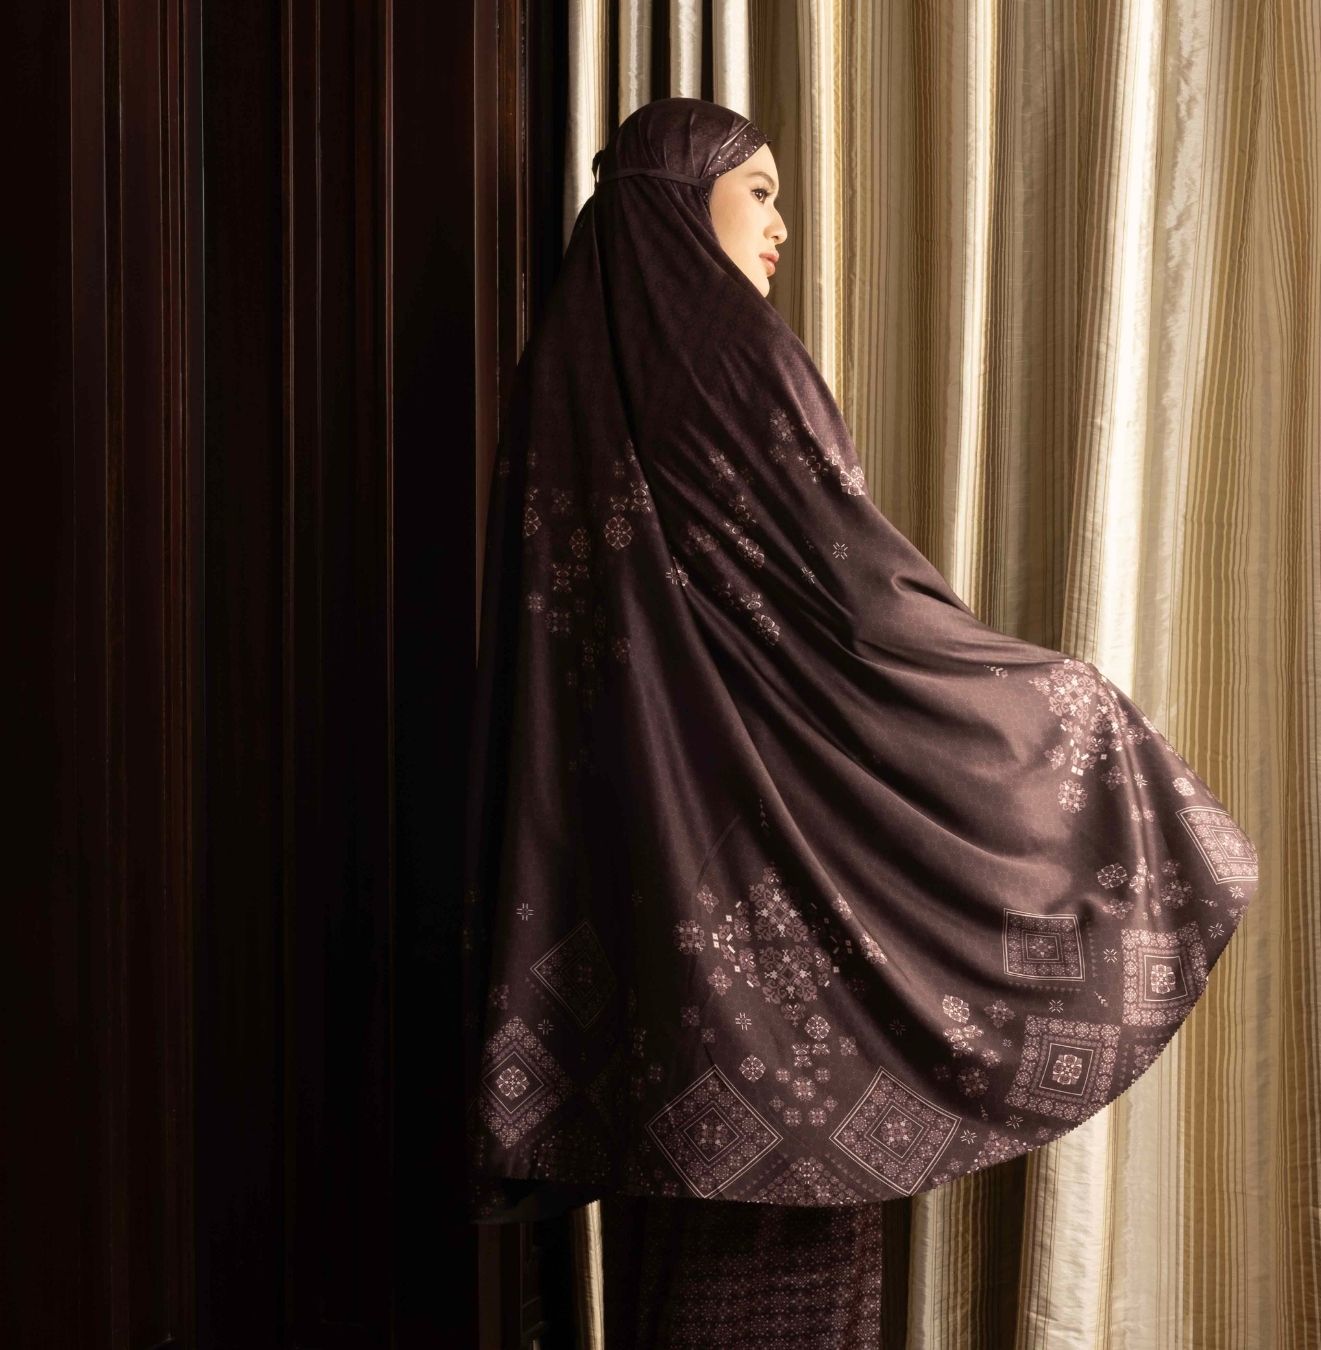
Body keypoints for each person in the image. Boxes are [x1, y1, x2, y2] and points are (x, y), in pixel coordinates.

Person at [461, 97, 1259, 1347]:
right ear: (681, 201)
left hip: (649, 900)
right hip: (789, 894)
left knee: (682, 1243)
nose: (781, 226)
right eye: (759, 192)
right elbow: (859, 611)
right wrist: (1062, 704)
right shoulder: (735, 359)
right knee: (792, 1255)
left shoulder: (565, 374)